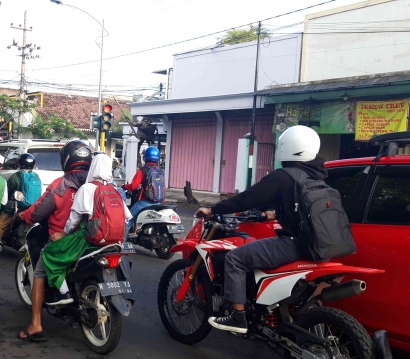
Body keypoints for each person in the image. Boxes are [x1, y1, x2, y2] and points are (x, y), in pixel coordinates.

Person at [195, 125, 325, 334]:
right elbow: (303, 211)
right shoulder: (317, 177)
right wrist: (275, 214)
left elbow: (247, 198)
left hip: (294, 244)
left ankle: (238, 318)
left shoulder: (283, 176)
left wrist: (213, 209)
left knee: (235, 258)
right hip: (321, 246)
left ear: (286, 147)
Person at [16, 140, 92, 342]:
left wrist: (23, 216)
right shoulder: (97, 183)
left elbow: (38, 210)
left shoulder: (61, 185)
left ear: (66, 160)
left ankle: (36, 324)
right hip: (91, 240)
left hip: (63, 241)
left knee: (40, 272)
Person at [44, 154, 132, 304]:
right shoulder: (114, 190)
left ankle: (64, 293)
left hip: (88, 239)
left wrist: (63, 234)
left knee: (50, 254)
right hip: (114, 242)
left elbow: (73, 220)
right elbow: (128, 217)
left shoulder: (87, 188)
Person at [122, 146, 165, 235]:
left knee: (128, 219)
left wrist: (124, 186)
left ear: (145, 157)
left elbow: (133, 186)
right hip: (158, 202)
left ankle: (123, 243)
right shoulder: (160, 171)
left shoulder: (142, 170)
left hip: (145, 202)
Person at [0, 153, 40, 239]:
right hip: (33, 208)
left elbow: (6, 192)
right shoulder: (36, 176)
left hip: (13, 208)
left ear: (20, 163)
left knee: (1, 225)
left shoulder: (16, 176)